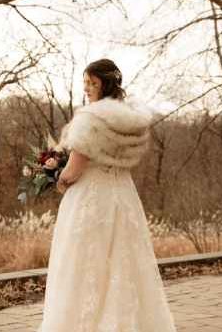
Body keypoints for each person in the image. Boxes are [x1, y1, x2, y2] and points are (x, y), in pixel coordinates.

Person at [36, 58, 177, 332]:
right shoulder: (128, 120)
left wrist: (58, 178)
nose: (87, 88)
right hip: (122, 195)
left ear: (104, 84)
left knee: (86, 262)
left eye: (92, 83)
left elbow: (75, 168)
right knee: (124, 262)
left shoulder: (91, 119)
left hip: (92, 198)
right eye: (85, 83)